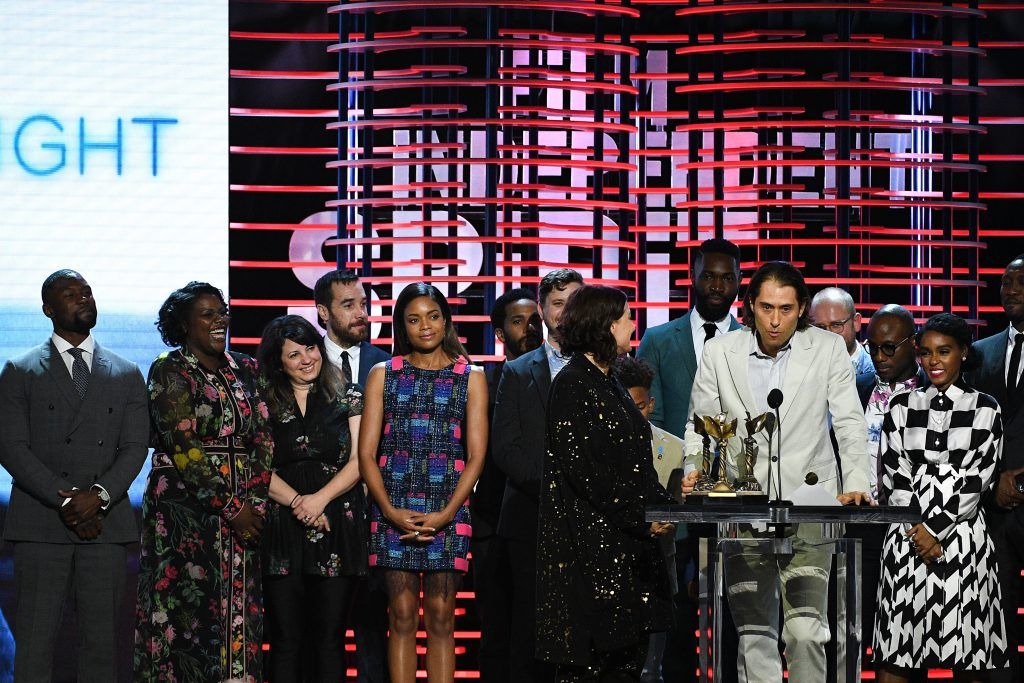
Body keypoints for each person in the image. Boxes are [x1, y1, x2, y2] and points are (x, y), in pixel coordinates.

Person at [682, 261, 870, 683]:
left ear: (802, 308)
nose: (775, 319)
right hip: (744, 512)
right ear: (750, 305)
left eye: (786, 309)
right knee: (754, 635)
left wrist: (857, 481)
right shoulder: (720, 351)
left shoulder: (826, 348)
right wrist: (694, 472)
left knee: (805, 632)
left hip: (811, 510)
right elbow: (701, 424)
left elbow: (849, 422)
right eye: (766, 307)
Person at [0, 269, 148, 682]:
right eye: (70, 294)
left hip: (106, 524)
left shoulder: (125, 372)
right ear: (48, 309)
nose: (83, 299)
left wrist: (97, 496)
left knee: (101, 646)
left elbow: (135, 447)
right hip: (41, 524)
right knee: (34, 643)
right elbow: (11, 446)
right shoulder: (20, 369)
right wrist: (65, 499)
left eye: (87, 292)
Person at [134, 282, 273, 683]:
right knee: (187, 613)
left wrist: (255, 505)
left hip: (246, 511)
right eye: (208, 314)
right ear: (183, 324)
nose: (220, 320)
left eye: (222, 311)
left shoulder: (246, 368)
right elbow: (184, 445)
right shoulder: (169, 368)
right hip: (185, 510)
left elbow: (262, 438)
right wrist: (232, 508)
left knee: (240, 610)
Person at [537, 285, 675, 681]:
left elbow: (636, 459)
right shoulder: (572, 383)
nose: (634, 325)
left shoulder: (610, 381)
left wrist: (661, 506)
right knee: (597, 666)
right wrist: (641, 516)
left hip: (626, 546)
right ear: (607, 324)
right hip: (593, 551)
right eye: (628, 317)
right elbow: (586, 473)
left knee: (628, 662)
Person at [358, 282, 488, 683]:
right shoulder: (384, 374)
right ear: (402, 325)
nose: (425, 326)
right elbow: (366, 454)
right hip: (392, 503)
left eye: (432, 316)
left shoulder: (472, 375)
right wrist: (391, 512)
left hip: (449, 506)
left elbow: (477, 455)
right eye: (413, 319)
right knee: (399, 616)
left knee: (441, 616)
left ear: (446, 320)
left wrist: (447, 513)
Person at [874, 313, 1008, 681]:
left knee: (968, 656)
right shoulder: (901, 407)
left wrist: (934, 531)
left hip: (962, 542)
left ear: (964, 352)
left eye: (944, 352)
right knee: (897, 655)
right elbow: (894, 475)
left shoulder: (986, 408)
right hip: (906, 540)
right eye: (926, 353)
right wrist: (918, 530)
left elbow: (977, 480)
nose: (933, 361)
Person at [256, 315, 369, 682]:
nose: (307, 359)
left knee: (329, 639)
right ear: (277, 362)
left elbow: (360, 461)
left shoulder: (349, 395)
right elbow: (256, 465)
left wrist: (318, 500)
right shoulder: (260, 403)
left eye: (311, 348)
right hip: (281, 528)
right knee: (286, 640)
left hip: (338, 522)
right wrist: (297, 504)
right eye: (294, 354)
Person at [491, 268, 583, 682]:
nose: (566, 313)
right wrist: (554, 488)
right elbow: (505, 448)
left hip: (589, 522)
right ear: (543, 311)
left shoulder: (605, 368)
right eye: (558, 303)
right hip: (530, 518)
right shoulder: (517, 371)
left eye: (574, 303)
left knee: (583, 632)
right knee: (527, 634)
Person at [313, 268, 391, 681]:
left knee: (374, 631)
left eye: (364, 304)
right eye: (349, 305)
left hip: (377, 517)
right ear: (323, 313)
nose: (362, 313)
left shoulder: (389, 365)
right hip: (318, 517)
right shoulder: (301, 361)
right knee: (319, 631)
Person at [473, 287, 543, 682]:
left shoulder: (555, 376)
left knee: (533, 630)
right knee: (495, 629)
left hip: (534, 517)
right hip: (488, 521)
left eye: (535, 320)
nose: (530, 328)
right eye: (518, 322)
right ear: (500, 333)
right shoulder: (482, 381)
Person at [612, 355, 694, 683]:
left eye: (641, 405)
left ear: (651, 403)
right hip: (609, 574)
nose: (634, 414)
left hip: (657, 573)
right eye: (626, 405)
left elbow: (676, 513)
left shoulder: (675, 450)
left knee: (649, 671)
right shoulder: (596, 448)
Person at [972, 253, 1024, 682]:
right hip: (991, 507)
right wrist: (996, 479)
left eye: (1021, 282)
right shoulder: (980, 352)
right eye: (1006, 281)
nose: (1011, 289)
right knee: (995, 617)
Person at [638, 238, 743, 437]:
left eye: (727, 278)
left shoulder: (752, 343)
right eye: (709, 276)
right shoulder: (656, 341)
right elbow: (651, 420)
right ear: (693, 276)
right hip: (674, 464)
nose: (717, 287)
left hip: (737, 465)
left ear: (740, 280)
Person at [810, 287, 874, 376]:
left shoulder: (878, 372)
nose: (829, 334)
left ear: (856, 322)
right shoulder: (800, 370)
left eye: (836, 325)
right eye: (820, 327)